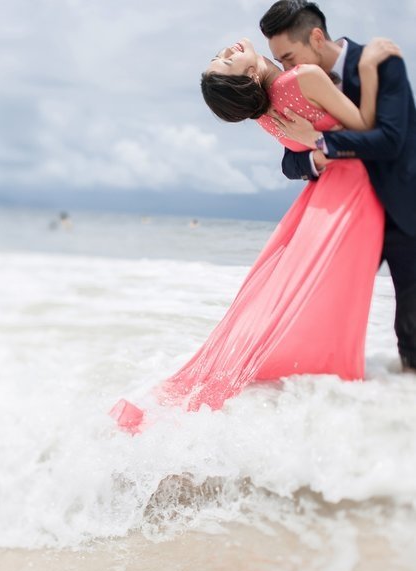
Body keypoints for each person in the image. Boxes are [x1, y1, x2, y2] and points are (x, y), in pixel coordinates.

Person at [110, 36, 396, 434]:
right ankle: (342, 391)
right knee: (328, 292)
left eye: (218, 56)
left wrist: (313, 147)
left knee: (290, 293)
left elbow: (296, 157)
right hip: (350, 189)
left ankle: (314, 387)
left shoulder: (264, 111)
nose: (224, 50)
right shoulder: (301, 79)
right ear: (246, 77)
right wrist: (368, 69)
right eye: (223, 62)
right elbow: (366, 131)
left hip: (326, 194)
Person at [259, 0, 416, 372]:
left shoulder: (380, 62)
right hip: (343, 213)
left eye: (289, 58)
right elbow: (289, 160)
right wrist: (313, 155)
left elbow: (391, 140)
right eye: (279, 62)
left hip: (400, 208)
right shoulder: (292, 85)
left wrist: (320, 140)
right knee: (317, 301)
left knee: (411, 317)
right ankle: (314, 392)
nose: (285, 70)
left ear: (316, 37)